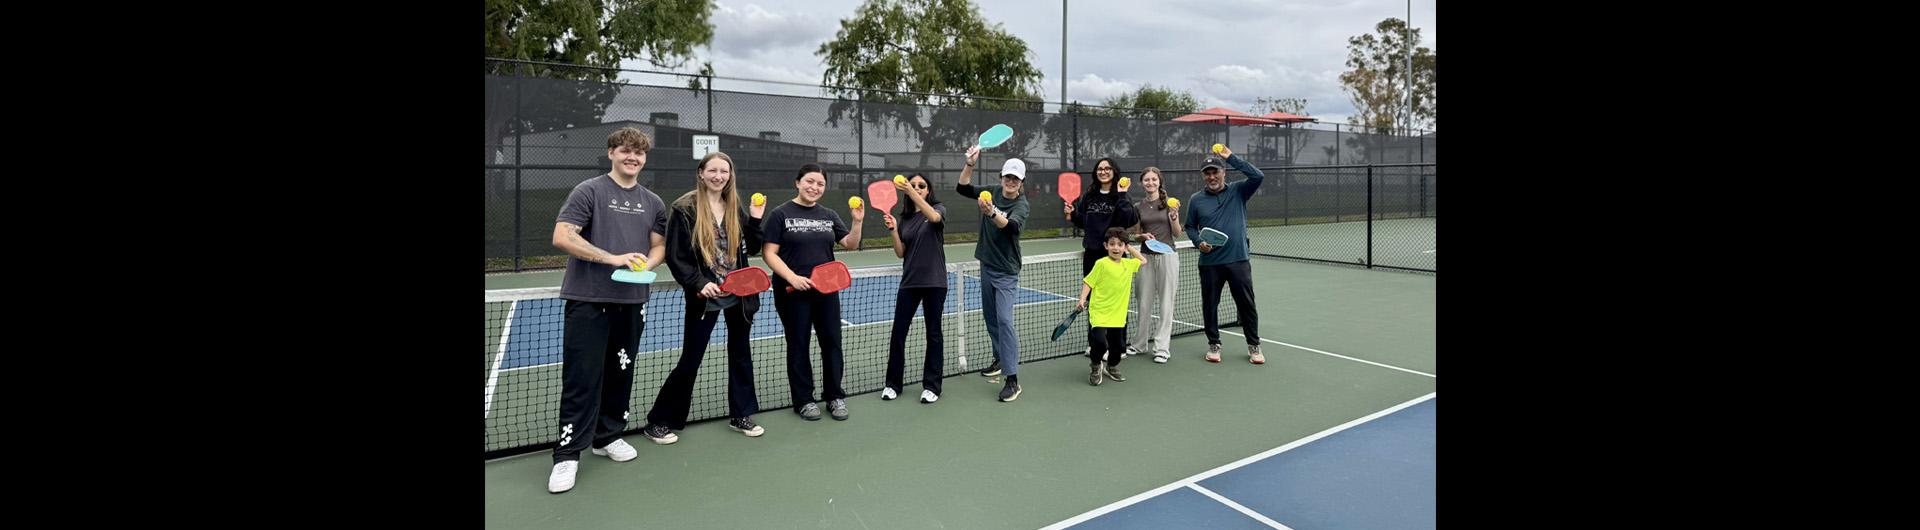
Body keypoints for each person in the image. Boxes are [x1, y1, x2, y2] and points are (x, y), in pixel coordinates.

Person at [546, 127, 669, 494]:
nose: (633, 157)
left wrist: (647, 264)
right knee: (582, 379)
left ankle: (608, 436)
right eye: (626, 151)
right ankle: (567, 454)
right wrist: (611, 257)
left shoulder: (653, 202)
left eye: (640, 153)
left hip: (631, 303)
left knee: (620, 372)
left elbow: (658, 245)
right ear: (612, 153)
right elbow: (563, 235)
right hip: (588, 298)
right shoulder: (589, 191)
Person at [638, 151, 769, 453]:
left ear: (729, 175)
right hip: (705, 296)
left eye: (724, 171)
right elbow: (676, 255)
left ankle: (741, 415)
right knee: (692, 358)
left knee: (741, 354)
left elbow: (753, 247)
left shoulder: (734, 206)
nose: (719, 176)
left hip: (739, 295)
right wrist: (700, 284)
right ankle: (659, 420)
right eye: (713, 170)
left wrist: (757, 218)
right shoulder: (684, 208)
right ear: (701, 173)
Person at [764, 164, 865, 421]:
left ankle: (834, 396)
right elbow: (769, 253)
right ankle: (804, 400)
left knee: (832, 342)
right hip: (792, 290)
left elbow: (851, 245)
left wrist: (857, 222)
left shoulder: (829, 214)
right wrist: (792, 277)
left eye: (820, 184)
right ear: (798, 182)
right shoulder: (780, 214)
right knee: (798, 344)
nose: (814, 187)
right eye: (809, 182)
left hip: (826, 290)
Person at [956, 145, 1031, 402]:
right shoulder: (994, 191)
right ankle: (999, 358)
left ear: (1021, 182)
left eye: (1015, 179)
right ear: (1002, 178)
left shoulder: (1022, 204)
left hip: (1007, 271)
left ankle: (1012, 380)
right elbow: (962, 188)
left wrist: (991, 212)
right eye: (1007, 177)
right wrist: (970, 164)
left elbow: (1010, 227)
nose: (1010, 182)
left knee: (1005, 321)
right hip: (986, 265)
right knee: (991, 318)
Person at [1183, 147, 1266, 364]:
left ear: (1223, 172)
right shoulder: (1196, 199)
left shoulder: (1239, 191)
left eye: (1215, 172)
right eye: (1207, 173)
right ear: (1203, 176)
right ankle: (1214, 344)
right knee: (1210, 304)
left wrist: (1231, 157)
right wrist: (1198, 242)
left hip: (1238, 260)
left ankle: (1254, 345)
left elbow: (1258, 175)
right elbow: (1190, 226)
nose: (1211, 176)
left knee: (1246, 304)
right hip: (1210, 263)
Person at [880, 173, 948, 403]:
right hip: (909, 282)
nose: (917, 188)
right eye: (914, 185)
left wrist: (910, 192)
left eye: (922, 186)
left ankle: (932, 386)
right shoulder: (906, 219)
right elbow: (901, 252)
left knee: (934, 334)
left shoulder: (938, 208)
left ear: (928, 191)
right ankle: (892, 384)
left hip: (935, 282)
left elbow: (934, 218)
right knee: (898, 333)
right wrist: (893, 230)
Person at [1127, 167, 1184, 364]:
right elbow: (1135, 233)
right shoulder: (1138, 206)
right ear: (1142, 183)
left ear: (1159, 182)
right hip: (1145, 258)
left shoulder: (1169, 204)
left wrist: (1175, 218)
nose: (1150, 183)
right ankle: (1139, 344)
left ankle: (1161, 348)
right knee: (1143, 301)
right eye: (1146, 180)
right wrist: (1142, 236)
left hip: (1168, 257)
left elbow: (1177, 234)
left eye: (1154, 180)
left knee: (1166, 303)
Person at [1078, 227, 1144, 385]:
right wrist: (1082, 299)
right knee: (1100, 342)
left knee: (1119, 347)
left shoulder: (1128, 264)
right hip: (1099, 311)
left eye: (1120, 244)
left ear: (1124, 247)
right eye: (1112, 244)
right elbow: (1089, 282)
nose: (1116, 247)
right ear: (1106, 246)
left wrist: (1130, 247)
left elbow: (1143, 260)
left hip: (1118, 314)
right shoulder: (1101, 264)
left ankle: (1112, 366)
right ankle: (1095, 365)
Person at [1064, 157, 1139, 277]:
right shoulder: (1088, 196)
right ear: (1095, 173)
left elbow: (1129, 220)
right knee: (1092, 293)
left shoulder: (1122, 196)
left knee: (1114, 293)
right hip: (1091, 254)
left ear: (1114, 171)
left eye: (1107, 168)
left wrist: (1122, 194)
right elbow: (1083, 223)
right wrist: (1073, 214)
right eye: (1100, 169)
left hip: (1114, 252)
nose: (1103, 172)